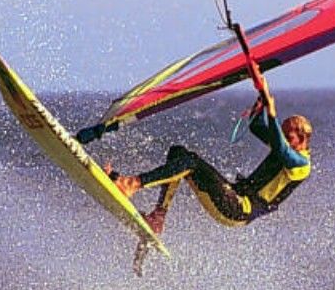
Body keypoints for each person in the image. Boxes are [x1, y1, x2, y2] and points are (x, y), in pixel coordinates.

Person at [106, 56, 312, 237]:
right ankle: (158, 217)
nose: (283, 138)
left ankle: (131, 184)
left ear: (301, 139)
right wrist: (261, 104)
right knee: (178, 153)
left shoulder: (301, 165)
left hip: (239, 209)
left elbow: (281, 147)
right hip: (233, 194)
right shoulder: (285, 146)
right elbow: (258, 128)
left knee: (192, 163)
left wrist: (272, 111)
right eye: (283, 134)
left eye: (288, 135)